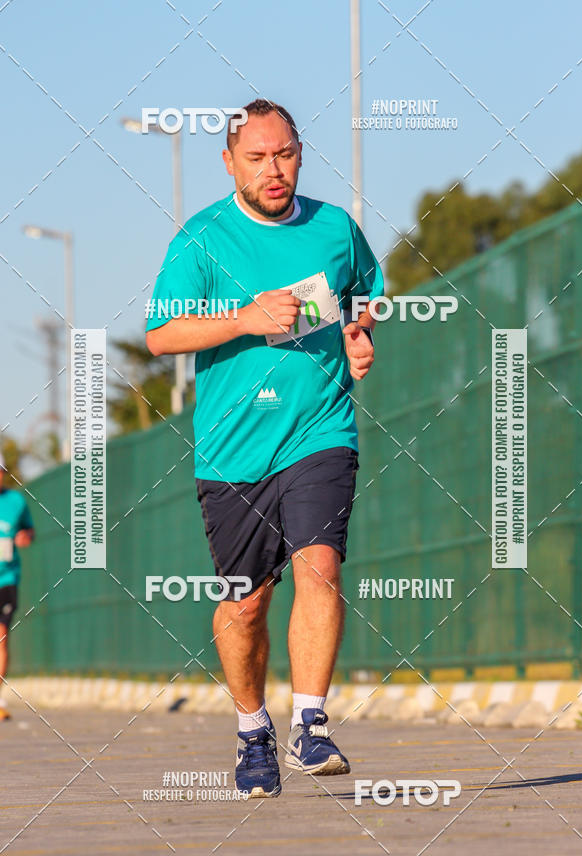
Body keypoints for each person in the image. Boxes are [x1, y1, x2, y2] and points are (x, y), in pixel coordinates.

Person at [145, 99, 383, 798]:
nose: (273, 170)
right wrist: (244, 318)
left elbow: (362, 296)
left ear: (300, 155)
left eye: (284, 155)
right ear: (229, 163)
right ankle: (253, 729)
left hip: (319, 431)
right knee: (246, 606)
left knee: (320, 565)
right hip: (233, 450)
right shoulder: (202, 239)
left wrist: (359, 334)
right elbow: (161, 336)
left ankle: (311, 723)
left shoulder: (334, 228)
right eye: (256, 158)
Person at [0, 452, 35, 721]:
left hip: (6, 579)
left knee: (1, 637)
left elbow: (29, 530)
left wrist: (26, 536)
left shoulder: (16, 502)